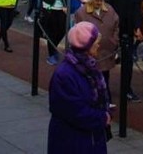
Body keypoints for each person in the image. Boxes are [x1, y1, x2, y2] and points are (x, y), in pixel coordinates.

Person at [47, 21, 110, 154]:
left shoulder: (89, 66)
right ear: (87, 46)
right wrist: (102, 117)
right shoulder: (65, 74)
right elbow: (74, 112)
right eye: (95, 43)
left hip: (91, 138)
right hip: (72, 141)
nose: (98, 45)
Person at [74, 0, 119, 104]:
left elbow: (116, 26)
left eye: (101, 0)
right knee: (91, 77)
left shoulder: (109, 10)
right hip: (91, 52)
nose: (99, 2)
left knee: (105, 76)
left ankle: (105, 99)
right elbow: (79, 31)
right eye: (97, 0)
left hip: (106, 50)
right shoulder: (82, 13)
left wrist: (114, 41)